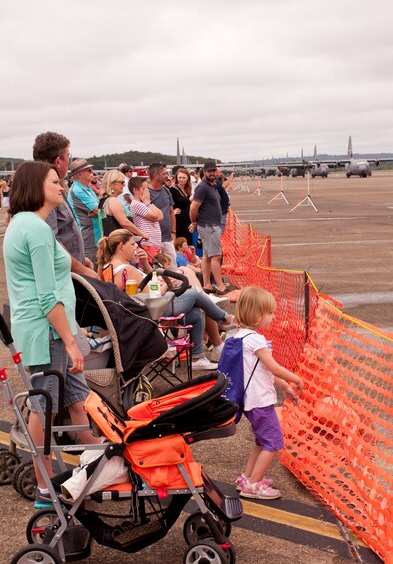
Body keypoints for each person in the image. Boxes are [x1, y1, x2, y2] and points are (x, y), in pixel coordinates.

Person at [3, 161, 100, 507]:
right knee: (44, 405)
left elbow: (63, 269)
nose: (62, 187)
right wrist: (72, 342)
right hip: (48, 333)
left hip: (51, 330)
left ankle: (96, 461)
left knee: (77, 399)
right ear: (35, 186)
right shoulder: (37, 230)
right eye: (55, 182)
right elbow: (48, 296)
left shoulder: (28, 224)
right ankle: (45, 486)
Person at [96, 230, 236, 369]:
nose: (136, 248)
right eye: (133, 244)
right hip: (152, 310)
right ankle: (225, 319)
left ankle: (198, 356)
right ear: (121, 246)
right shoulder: (127, 269)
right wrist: (167, 286)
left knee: (195, 312)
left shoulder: (107, 267)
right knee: (194, 292)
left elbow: (143, 290)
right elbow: (152, 295)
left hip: (142, 309)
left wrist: (146, 265)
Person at [232, 286, 303, 500]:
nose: (273, 317)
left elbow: (262, 372)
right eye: (270, 313)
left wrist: (285, 387)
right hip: (260, 401)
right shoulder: (256, 340)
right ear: (256, 314)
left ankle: (247, 477)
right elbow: (274, 368)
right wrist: (295, 379)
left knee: (261, 441)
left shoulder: (238, 337)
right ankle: (253, 485)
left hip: (250, 400)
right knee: (273, 442)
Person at [32, 132, 98, 279]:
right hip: (64, 277)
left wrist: (80, 259)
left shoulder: (51, 188)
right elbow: (52, 242)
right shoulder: (45, 193)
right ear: (58, 161)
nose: (69, 161)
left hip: (70, 269)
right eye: (68, 156)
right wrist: (80, 269)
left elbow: (65, 231)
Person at [189, 161, 227, 295]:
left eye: (213, 171)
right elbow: (193, 207)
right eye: (209, 171)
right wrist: (194, 221)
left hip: (209, 226)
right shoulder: (203, 187)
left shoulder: (213, 185)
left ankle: (207, 284)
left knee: (206, 256)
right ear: (204, 172)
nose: (212, 173)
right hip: (209, 227)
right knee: (216, 256)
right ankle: (220, 286)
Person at [67, 158, 103, 266]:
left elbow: (99, 209)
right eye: (88, 170)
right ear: (79, 174)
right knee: (92, 268)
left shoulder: (86, 188)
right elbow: (99, 210)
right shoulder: (77, 190)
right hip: (89, 236)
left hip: (95, 234)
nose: (91, 171)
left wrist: (99, 211)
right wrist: (99, 211)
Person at [98, 169, 149, 241]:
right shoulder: (113, 200)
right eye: (122, 182)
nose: (124, 185)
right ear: (112, 184)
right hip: (118, 243)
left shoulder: (103, 201)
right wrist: (142, 234)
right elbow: (124, 222)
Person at [148, 163, 177, 270]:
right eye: (164, 173)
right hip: (154, 241)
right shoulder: (146, 193)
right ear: (156, 175)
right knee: (157, 271)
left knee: (173, 268)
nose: (167, 176)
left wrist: (173, 232)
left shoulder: (166, 191)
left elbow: (171, 212)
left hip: (168, 238)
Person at [128, 176, 163, 261]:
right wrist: (147, 202)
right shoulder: (136, 204)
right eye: (144, 189)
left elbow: (161, 215)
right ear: (135, 190)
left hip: (153, 244)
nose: (147, 192)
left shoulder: (143, 204)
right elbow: (156, 217)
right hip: (147, 244)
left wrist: (147, 203)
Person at [170, 167, 192, 245]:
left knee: (189, 244)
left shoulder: (187, 189)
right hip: (179, 222)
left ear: (187, 178)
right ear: (176, 178)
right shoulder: (173, 189)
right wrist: (173, 211)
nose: (181, 179)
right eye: (179, 177)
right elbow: (169, 203)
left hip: (187, 222)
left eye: (183, 177)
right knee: (181, 244)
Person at [215, 168, 234, 233]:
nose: (221, 174)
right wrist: (231, 178)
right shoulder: (215, 182)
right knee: (219, 231)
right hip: (219, 212)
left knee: (221, 229)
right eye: (220, 172)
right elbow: (224, 185)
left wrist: (227, 206)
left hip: (222, 210)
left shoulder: (217, 182)